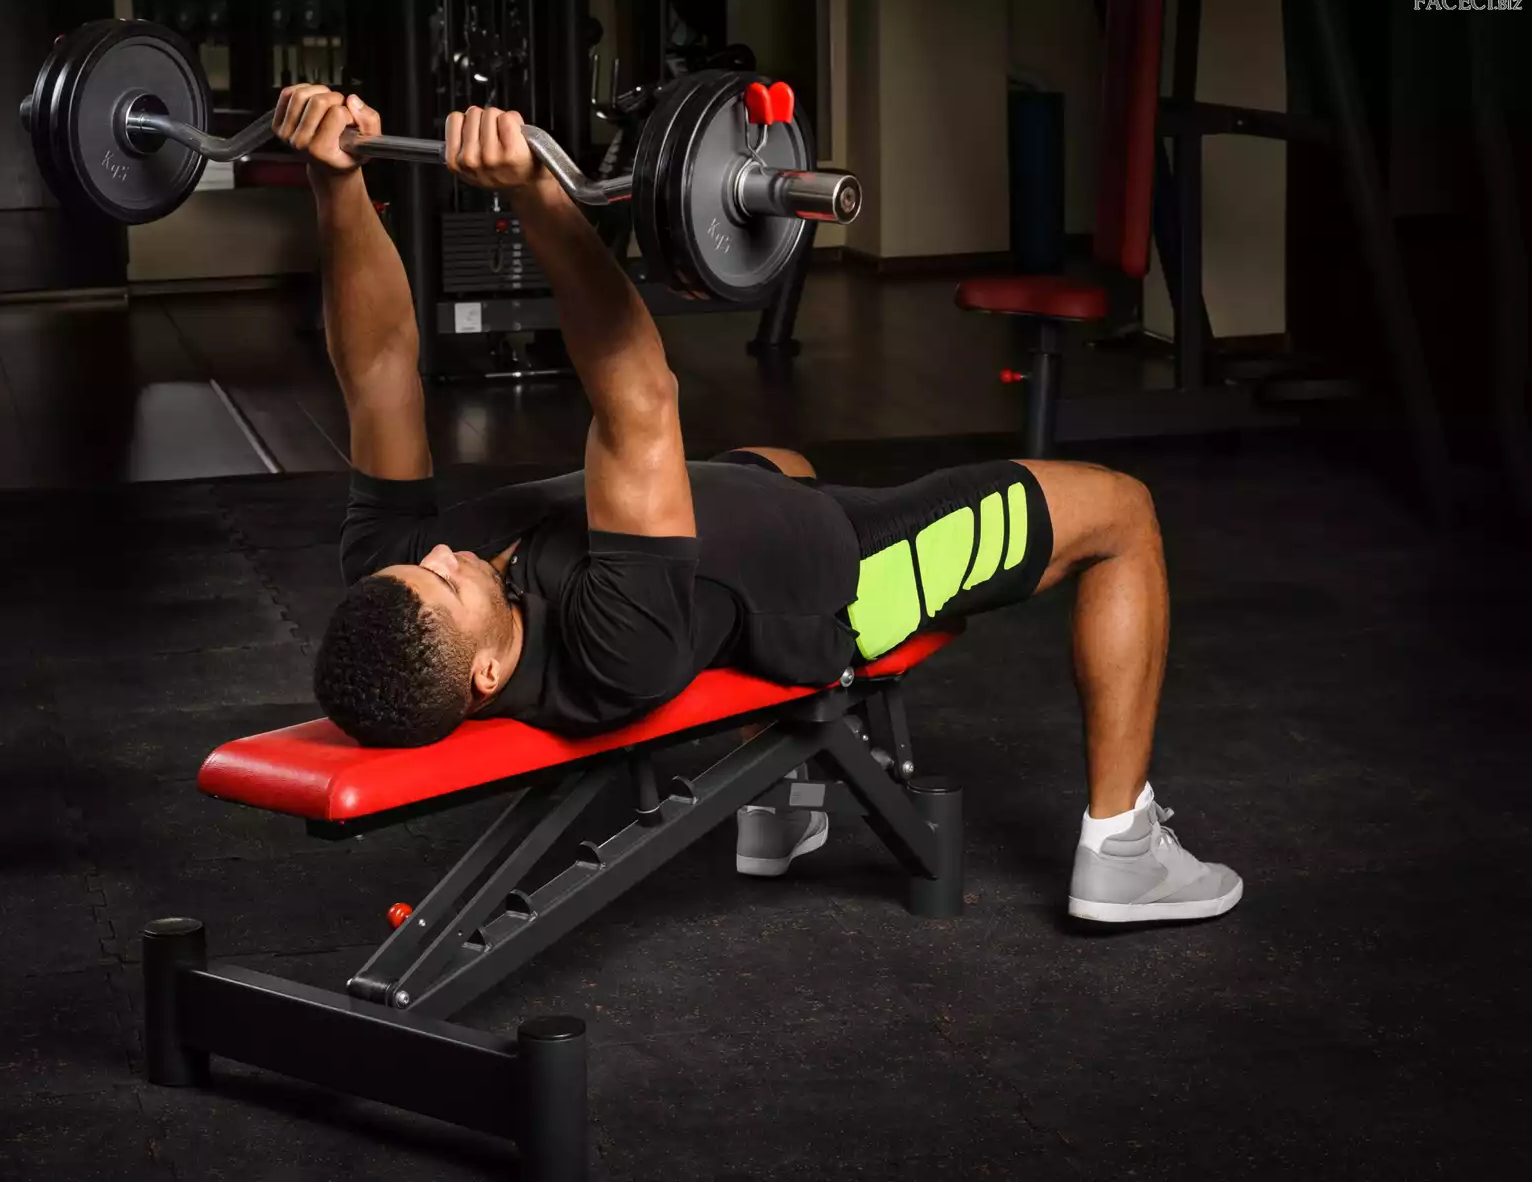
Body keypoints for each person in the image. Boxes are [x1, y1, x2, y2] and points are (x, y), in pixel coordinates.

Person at [278, 84, 1241, 926]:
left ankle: (782, 804)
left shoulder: (402, 579)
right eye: (446, 584)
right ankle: (1123, 853)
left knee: (778, 463)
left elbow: (378, 368)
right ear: (488, 673)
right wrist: (539, 197)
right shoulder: (611, 644)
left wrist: (335, 183)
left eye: (419, 565)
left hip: (737, 540)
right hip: (850, 577)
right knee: (1120, 512)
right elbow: (639, 396)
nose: (440, 556)